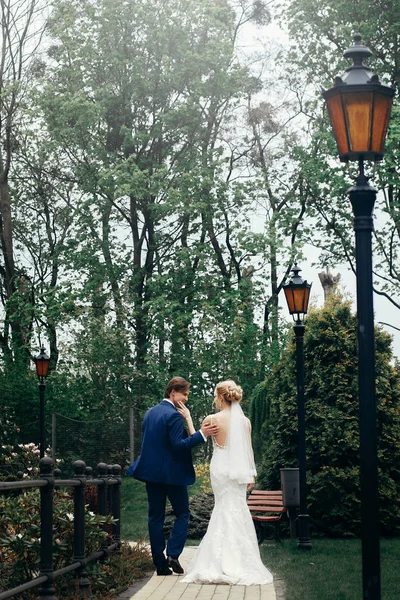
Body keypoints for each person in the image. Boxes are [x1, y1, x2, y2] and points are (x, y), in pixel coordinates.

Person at [180, 379, 273, 585]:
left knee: (223, 508)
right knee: (238, 509)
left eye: (215, 396)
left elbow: (196, 437)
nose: (215, 399)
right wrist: (251, 475)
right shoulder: (245, 422)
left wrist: (188, 418)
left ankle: (220, 561)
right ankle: (238, 561)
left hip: (221, 469)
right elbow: (249, 451)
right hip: (239, 471)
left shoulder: (212, 419)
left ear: (222, 397)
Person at [126, 376, 219, 576]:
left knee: (155, 517)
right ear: (173, 392)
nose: (186, 398)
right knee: (183, 513)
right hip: (173, 476)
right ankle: (173, 555)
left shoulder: (150, 413)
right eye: (184, 394)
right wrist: (201, 434)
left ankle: (160, 565)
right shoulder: (174, 416)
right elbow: (177, 446)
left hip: (151, 475)